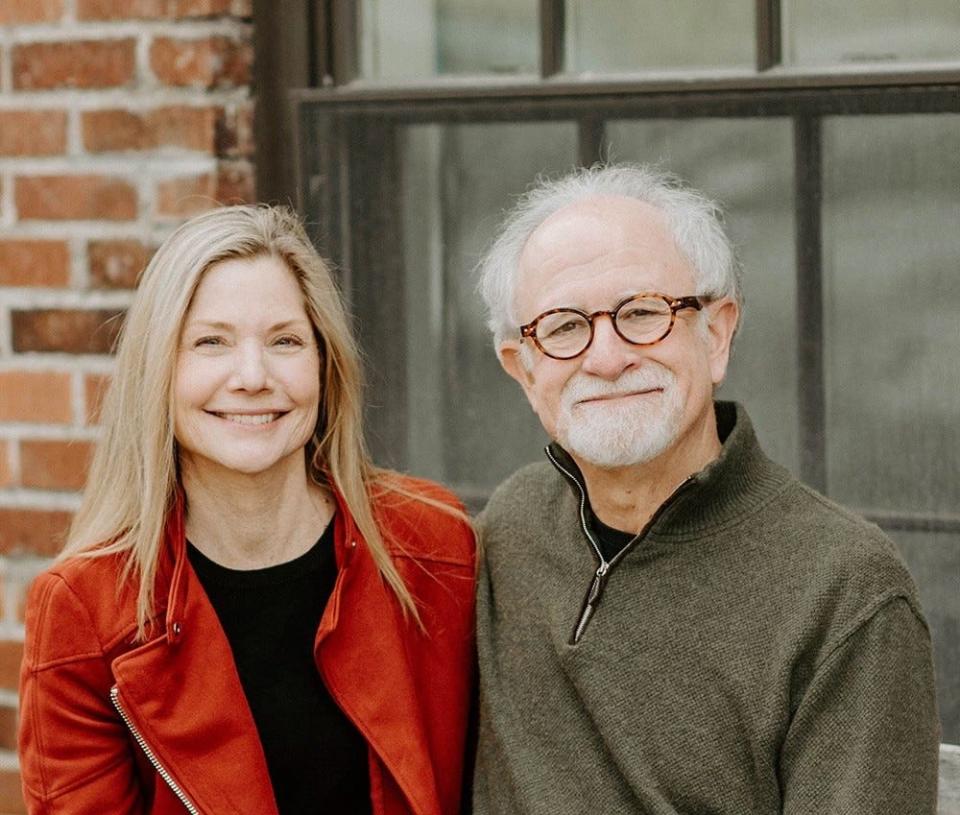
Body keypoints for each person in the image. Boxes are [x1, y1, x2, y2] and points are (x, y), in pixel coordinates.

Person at [472, 164, 940, 813]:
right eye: (563, 327)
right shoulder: (510, 528)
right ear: (524, 368)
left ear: (715, 333)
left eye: (641, 313)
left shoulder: (844, 588)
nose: (605, 358)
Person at [18, 205, 475, 815]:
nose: (253, 376)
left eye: (285, 340)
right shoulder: (86, 610)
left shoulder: (431, 542)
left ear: (323, 364)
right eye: (212, 343)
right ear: (160, 373)